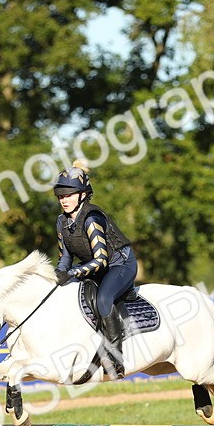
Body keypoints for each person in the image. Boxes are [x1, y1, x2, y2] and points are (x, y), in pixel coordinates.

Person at [52, 159, 138, 377]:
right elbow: (65, 258)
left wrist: (70, 274)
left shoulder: (91, 218)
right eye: (61, 196)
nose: (64, 200)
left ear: (82, 195)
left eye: (69, 195)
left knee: (103, 299)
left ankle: (116, 358)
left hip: (120, 264)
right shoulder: (61, 222)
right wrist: (58, 274)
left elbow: (101, 260)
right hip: (96, 267)